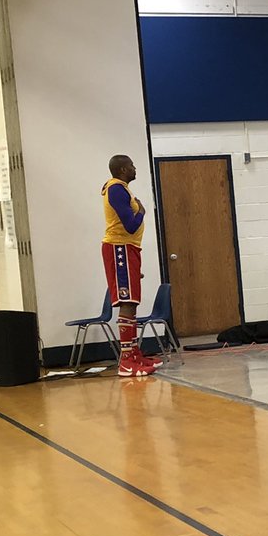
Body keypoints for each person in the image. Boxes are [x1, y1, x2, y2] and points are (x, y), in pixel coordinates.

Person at [101, 154, 157, 377]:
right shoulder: (116, 189)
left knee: (132, 301)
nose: (135, 169)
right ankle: (126, 361)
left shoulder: (121, 188)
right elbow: (131, 225)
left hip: (127, 248)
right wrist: (141, 211)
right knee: (126, 301)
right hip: (119, 248)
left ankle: (134, 354)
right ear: (123, 169)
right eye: (132, 166)